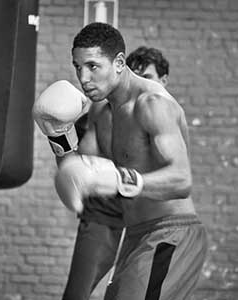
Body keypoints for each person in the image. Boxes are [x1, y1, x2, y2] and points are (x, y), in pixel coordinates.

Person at [33, 22, 208, 300]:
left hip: (171, 234)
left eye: (93, 66)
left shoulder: (152, 104)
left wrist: (120, 179)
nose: (84, 77)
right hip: (136, 234)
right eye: (78, 67)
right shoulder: (104, 111)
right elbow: (80, 173)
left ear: (118, 62)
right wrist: (59, 137)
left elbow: (182, 179)